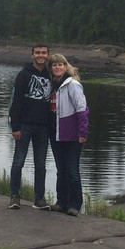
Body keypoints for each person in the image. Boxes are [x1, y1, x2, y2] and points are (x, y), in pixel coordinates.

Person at [7, 43, 52, 210]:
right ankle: (14, 196)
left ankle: (39, 199)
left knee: (40, 165)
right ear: (32, 55)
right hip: (24, 126)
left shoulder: (50, 76)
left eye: (44, 53)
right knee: (18, 162)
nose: (41, 55)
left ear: (48, 55)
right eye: (38, 53)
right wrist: (15, 127)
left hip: (43, 128)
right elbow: (16, 102)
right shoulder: (23, 75)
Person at [47, 53, 88, 216]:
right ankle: (61, 202)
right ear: (51, 68)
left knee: (72, 170)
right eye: (54, 65)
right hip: (56, 134)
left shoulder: (72, 85)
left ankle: (75, 205)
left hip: (72, 134)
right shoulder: (53, 85)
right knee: (61, 170)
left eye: (60, 64)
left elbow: (82, 109)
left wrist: (82, 131)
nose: (57, 67)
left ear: (66, 66)